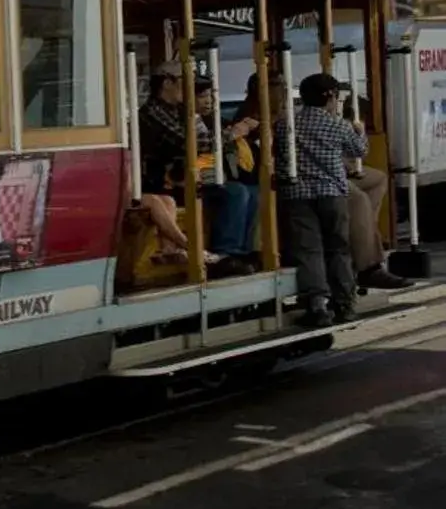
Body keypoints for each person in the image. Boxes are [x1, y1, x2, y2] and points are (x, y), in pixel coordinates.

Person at [138, 61, 257, 272]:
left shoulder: (180, 110)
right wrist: (233, 133)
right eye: (185, 81)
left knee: (253, 192)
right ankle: (225, 253)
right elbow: (195, 144)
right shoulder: (153, 113)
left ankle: (240, 251)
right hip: (167, 181)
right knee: (235, 192)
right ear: (167, 83)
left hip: (189, 176)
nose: (189, 87)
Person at [275, 71, 368, 327]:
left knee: (308, 250)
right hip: (332, 193)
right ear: (331, 97)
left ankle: (317, 305)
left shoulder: (286, 124)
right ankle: (344, 303)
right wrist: (360, 132)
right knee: (338, 248)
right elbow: (359, 150)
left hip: (297, 194)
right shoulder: (338, 125)